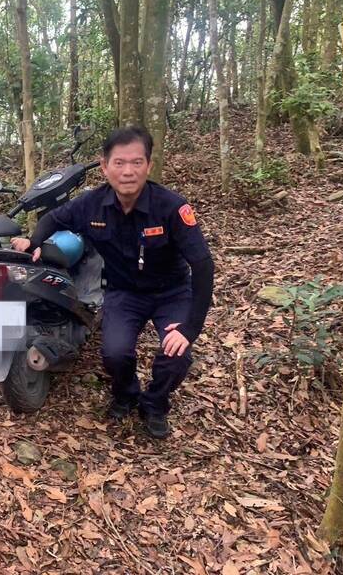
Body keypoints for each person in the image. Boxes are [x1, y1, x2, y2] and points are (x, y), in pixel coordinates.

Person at [12, 126, 214, 438]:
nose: (128, 172)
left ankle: (155, 403)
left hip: (172, 293)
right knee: (115, 353)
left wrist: (191, 327)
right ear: (105, 167)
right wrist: (35, 241)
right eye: (119, 163)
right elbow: (54, 218)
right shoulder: (91, 204)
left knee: (177, 354)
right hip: (124, 292)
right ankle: (126, 394)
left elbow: (202, 265)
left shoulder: (171, 207)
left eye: (136, 162)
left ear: (148, 165)